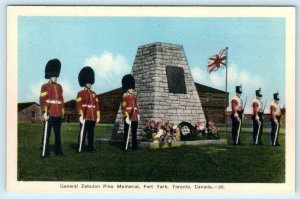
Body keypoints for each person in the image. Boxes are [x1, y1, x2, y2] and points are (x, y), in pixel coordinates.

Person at [40, 59, 64, 157]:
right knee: (47, 134)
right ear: (50, 76)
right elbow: (42, 100)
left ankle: (58, 151)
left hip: (58, 114)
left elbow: (61, 100)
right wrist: (44, 112)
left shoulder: (59, 87)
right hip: (49, 114)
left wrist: (62, 113)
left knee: (58, 134)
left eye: (56, 76)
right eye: (54, 76)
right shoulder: (44, 86)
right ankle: (45, 152)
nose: (55, 78)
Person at [76, 66, 100, 153]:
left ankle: (91, 147)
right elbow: (79, 105)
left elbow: (96, 106)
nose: (90, 84)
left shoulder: (94, 94)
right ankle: (80, 146)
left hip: (92, 117)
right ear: (84, 82)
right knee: (82, 132)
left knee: (91, 134)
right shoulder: (80, 93)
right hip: (85, 116)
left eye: (90, 82)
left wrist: (98, 116)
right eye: (88, 82)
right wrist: (80, 116)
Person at [121, 74, 140, 150]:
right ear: (127, 88)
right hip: (128, 117)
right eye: (130, 87)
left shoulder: (133, 97)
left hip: (134, 117)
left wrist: (138, 114)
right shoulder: (124, 98)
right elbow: (124, 108)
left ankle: (134, 146)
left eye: (132, 88)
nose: (132, 89)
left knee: (134, 132)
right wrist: (127, 117)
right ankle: (125, 145)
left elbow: (136, 106)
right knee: (126, 132)